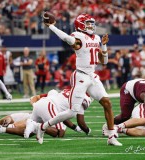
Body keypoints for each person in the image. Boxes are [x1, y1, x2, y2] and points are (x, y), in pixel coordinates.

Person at [35, 13, 121, 146]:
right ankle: (43, 127)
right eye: (88, 23)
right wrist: (52, 27)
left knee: (107, 103)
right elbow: (67, 39)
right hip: (80, 76)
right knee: (72, 112)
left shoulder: (97, 38)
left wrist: (103, 46)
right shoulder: (78, 36)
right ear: (80, 25)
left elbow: (104, 61)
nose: (91, 25)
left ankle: (111, 136)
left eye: (92, 23)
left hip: (92, 75)